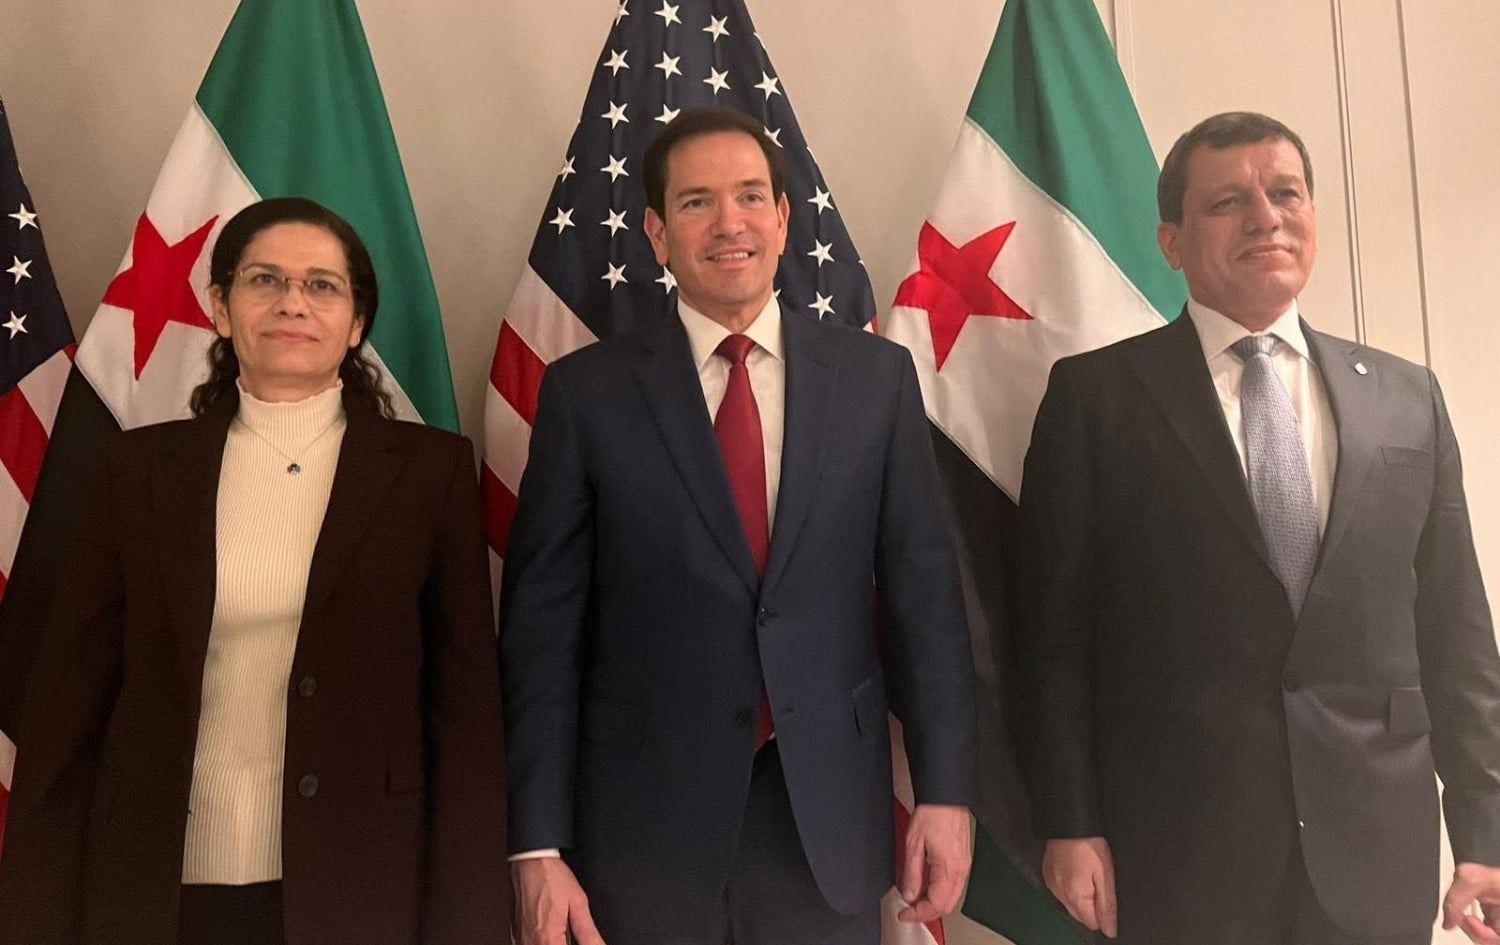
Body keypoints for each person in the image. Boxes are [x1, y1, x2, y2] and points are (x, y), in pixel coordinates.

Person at [1015, 110, 1500, 945]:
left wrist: (1485, 833)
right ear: (1171, 242)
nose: (1265, 218)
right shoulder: (1094, 398)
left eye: (1285, 194)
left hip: (1376, 848)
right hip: (1177, 847)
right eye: (1227, 202)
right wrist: (1070, 821)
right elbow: (1051, 640)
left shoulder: (1406, 398)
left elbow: (1458, 636)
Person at [499, 107, 978, 945]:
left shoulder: (876, 380)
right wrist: (537, 844)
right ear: (656, 232)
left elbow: (923, 598)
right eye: (697, 202)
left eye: (751, 196)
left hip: (824, 825)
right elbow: (543, 631)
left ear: (784, 219)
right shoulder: (586, 394)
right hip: (642, 831)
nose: (729, 223)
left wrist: (945, 791)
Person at [0, 197, 508, 945]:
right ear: (221, 307)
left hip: (361, 881)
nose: (292, 302)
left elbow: (462, 712)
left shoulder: (431, 473)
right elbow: (70, 703)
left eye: (322, 285)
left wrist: (469, 920)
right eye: (265, 279)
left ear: (357, 323)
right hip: (156, 887)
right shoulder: (136, 470)